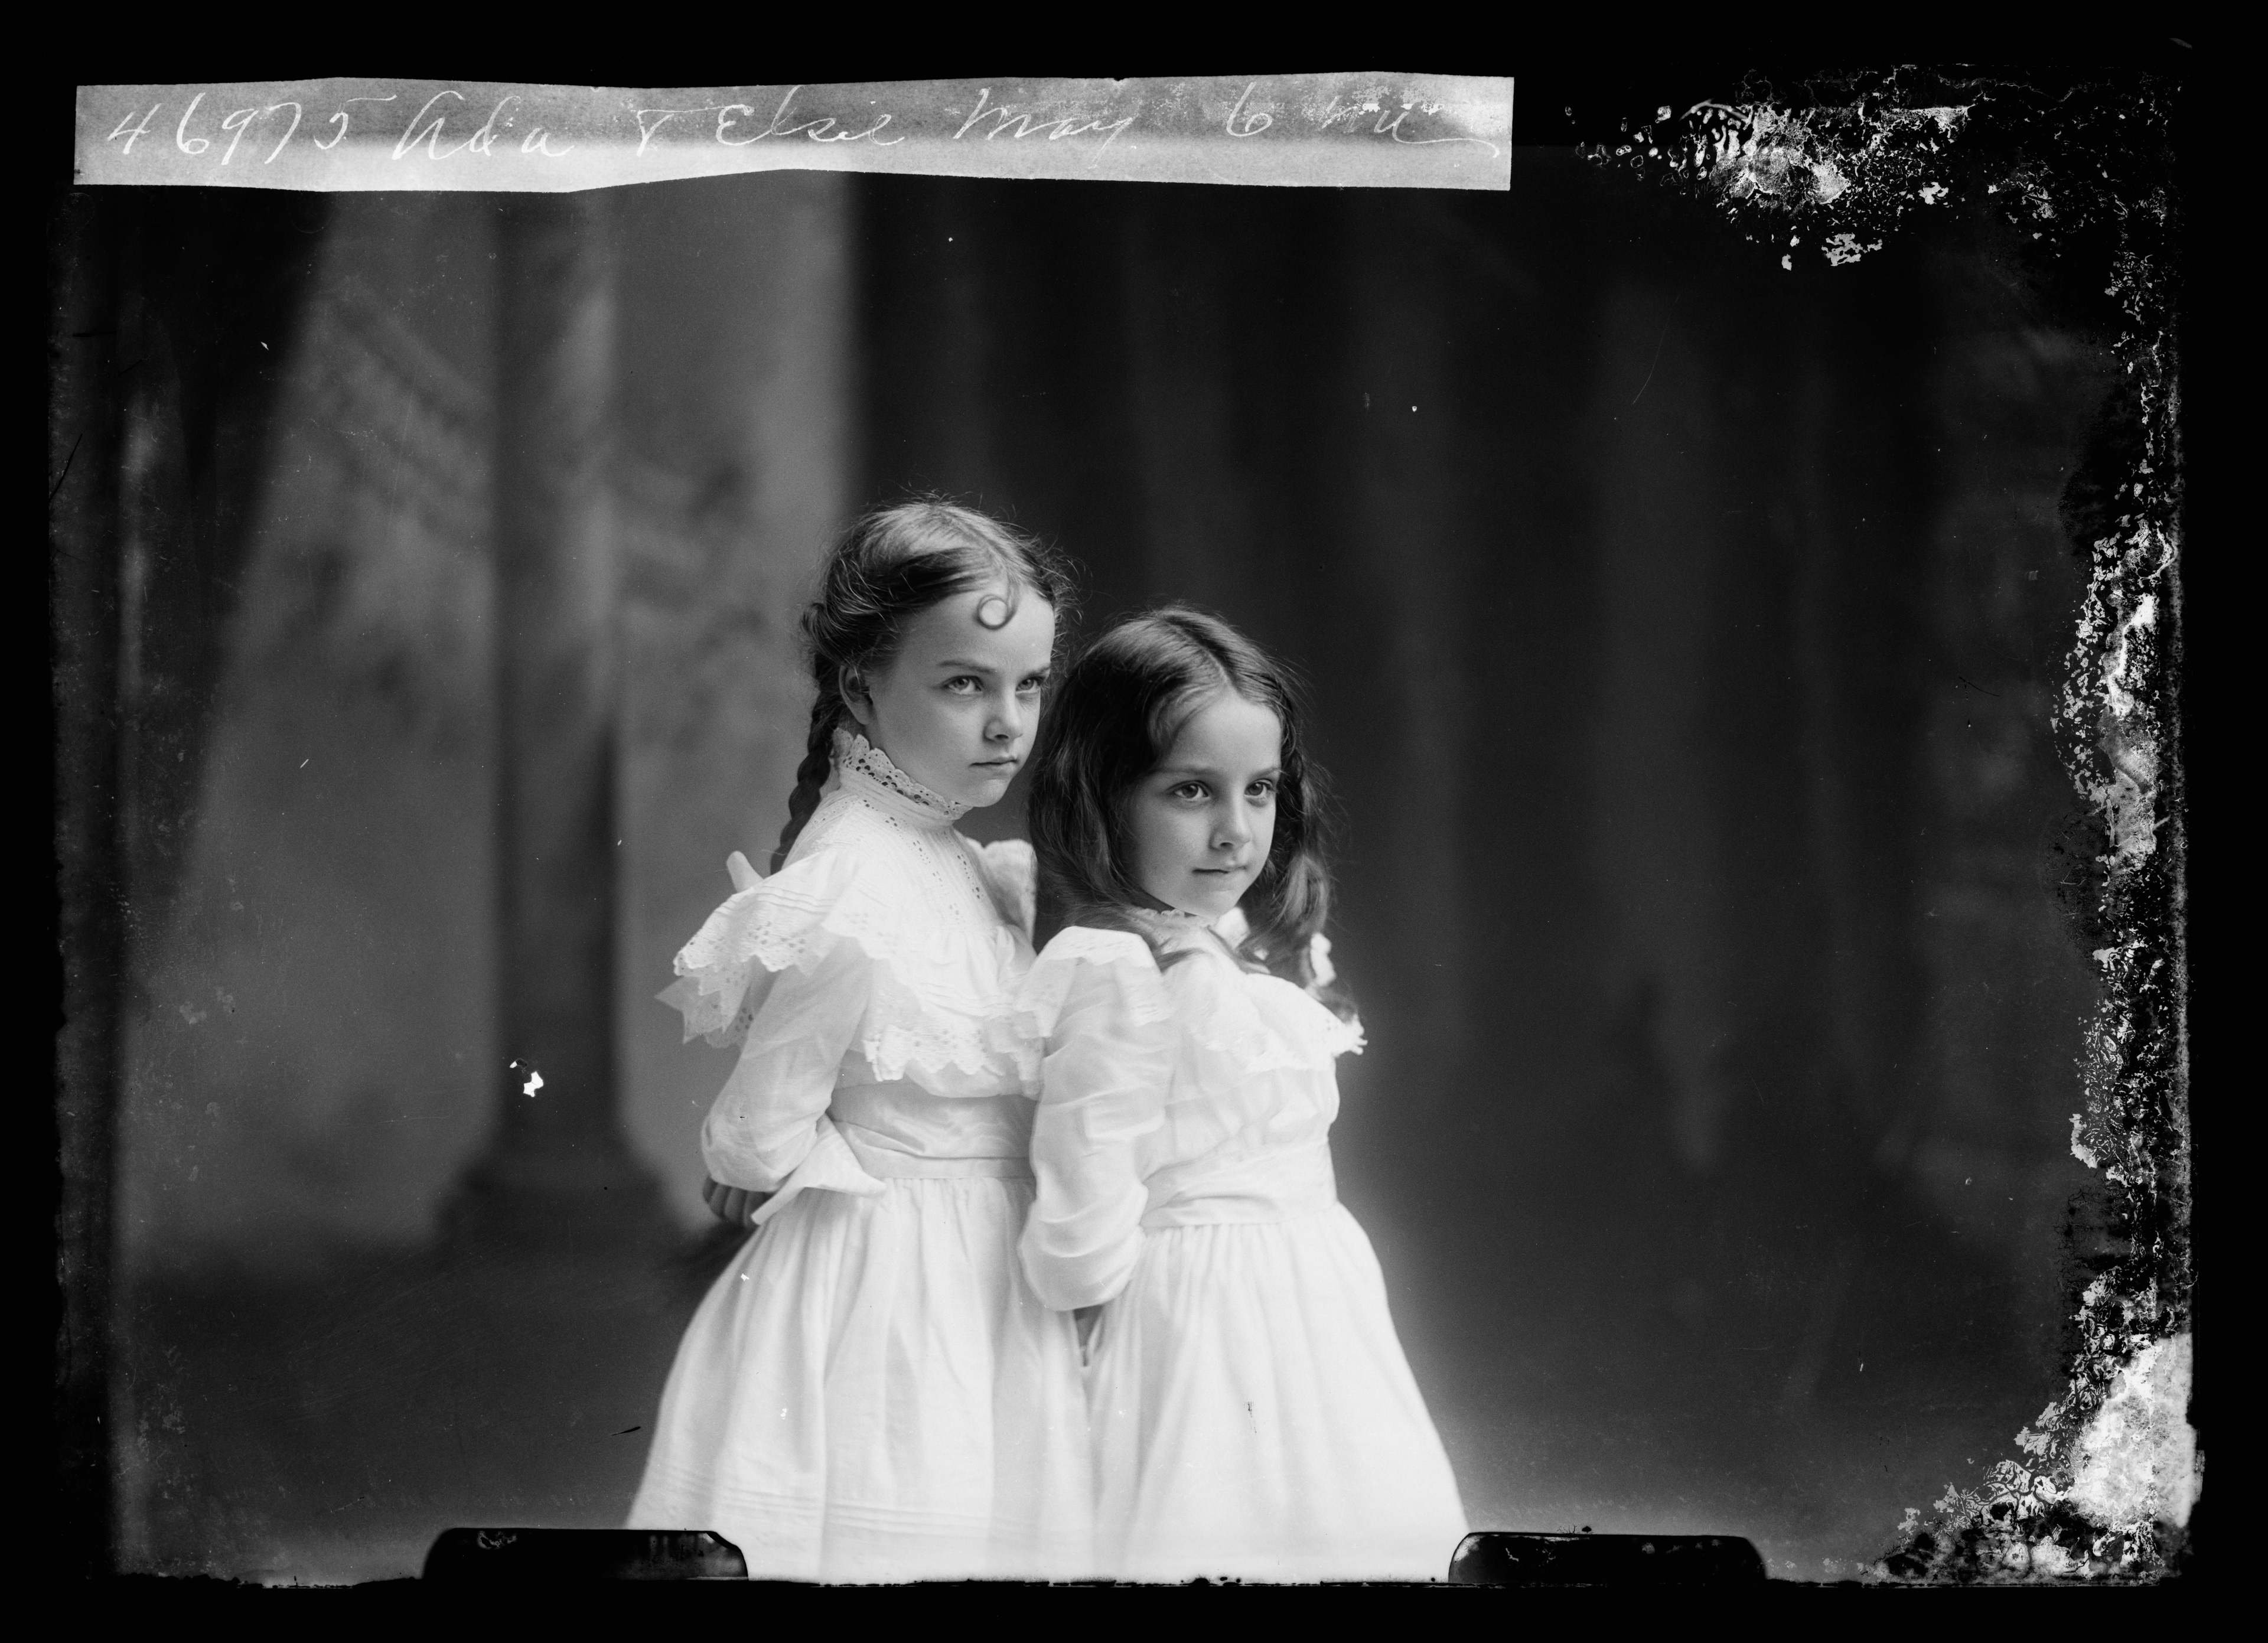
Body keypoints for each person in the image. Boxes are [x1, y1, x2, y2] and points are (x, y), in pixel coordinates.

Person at [627, 501, 1090, 1581]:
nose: (1008, 723)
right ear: (862, 687)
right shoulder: (855, 880)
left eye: (1029, 685)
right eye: (965, 682)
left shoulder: (963, 863)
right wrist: (763, 1164)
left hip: (989, 1271)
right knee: (899, 1514)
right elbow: (755, 1126)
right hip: (893, 1276)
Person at [1015, 605, 1468, 1582]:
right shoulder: (1113, 966)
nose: (1235, 830)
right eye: (1190, 790)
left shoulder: (1252, 949)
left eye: (1259, 790)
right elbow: (1078, 1241)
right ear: (1103, 796)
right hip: (1194, 1328)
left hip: (1318, 1307)